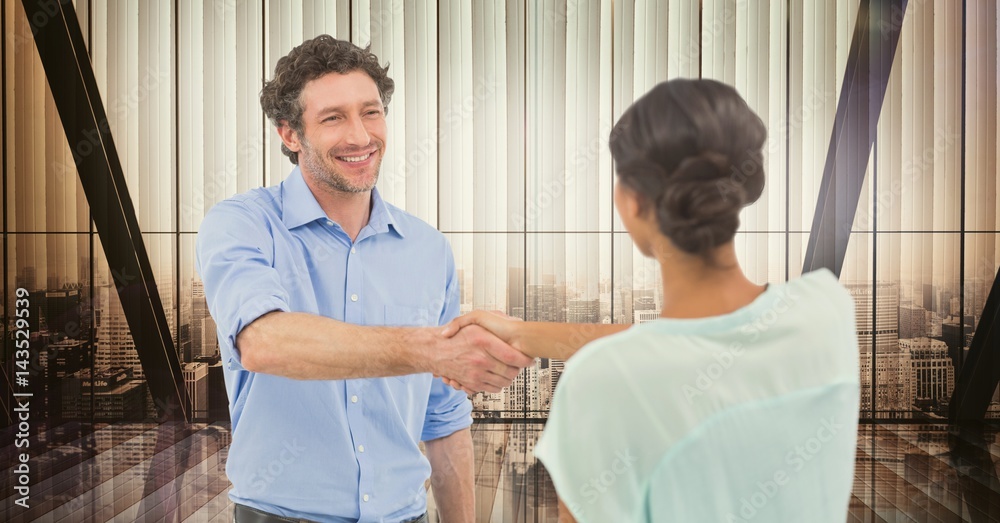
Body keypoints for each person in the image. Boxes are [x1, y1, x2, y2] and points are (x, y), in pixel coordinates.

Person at [444, 79, 861, 522]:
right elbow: (697, 341)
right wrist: (523, 333)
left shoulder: (601, 384)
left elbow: (670, 347)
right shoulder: (826, 309)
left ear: (632, 202)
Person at [196, 35, 533, 523]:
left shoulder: (428, 249)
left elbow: (443, 417)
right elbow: (265, 343)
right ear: (289, 134)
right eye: (333, 118)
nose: (360, 136)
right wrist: (430, 348)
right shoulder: (243, 224)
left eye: (371, 112)